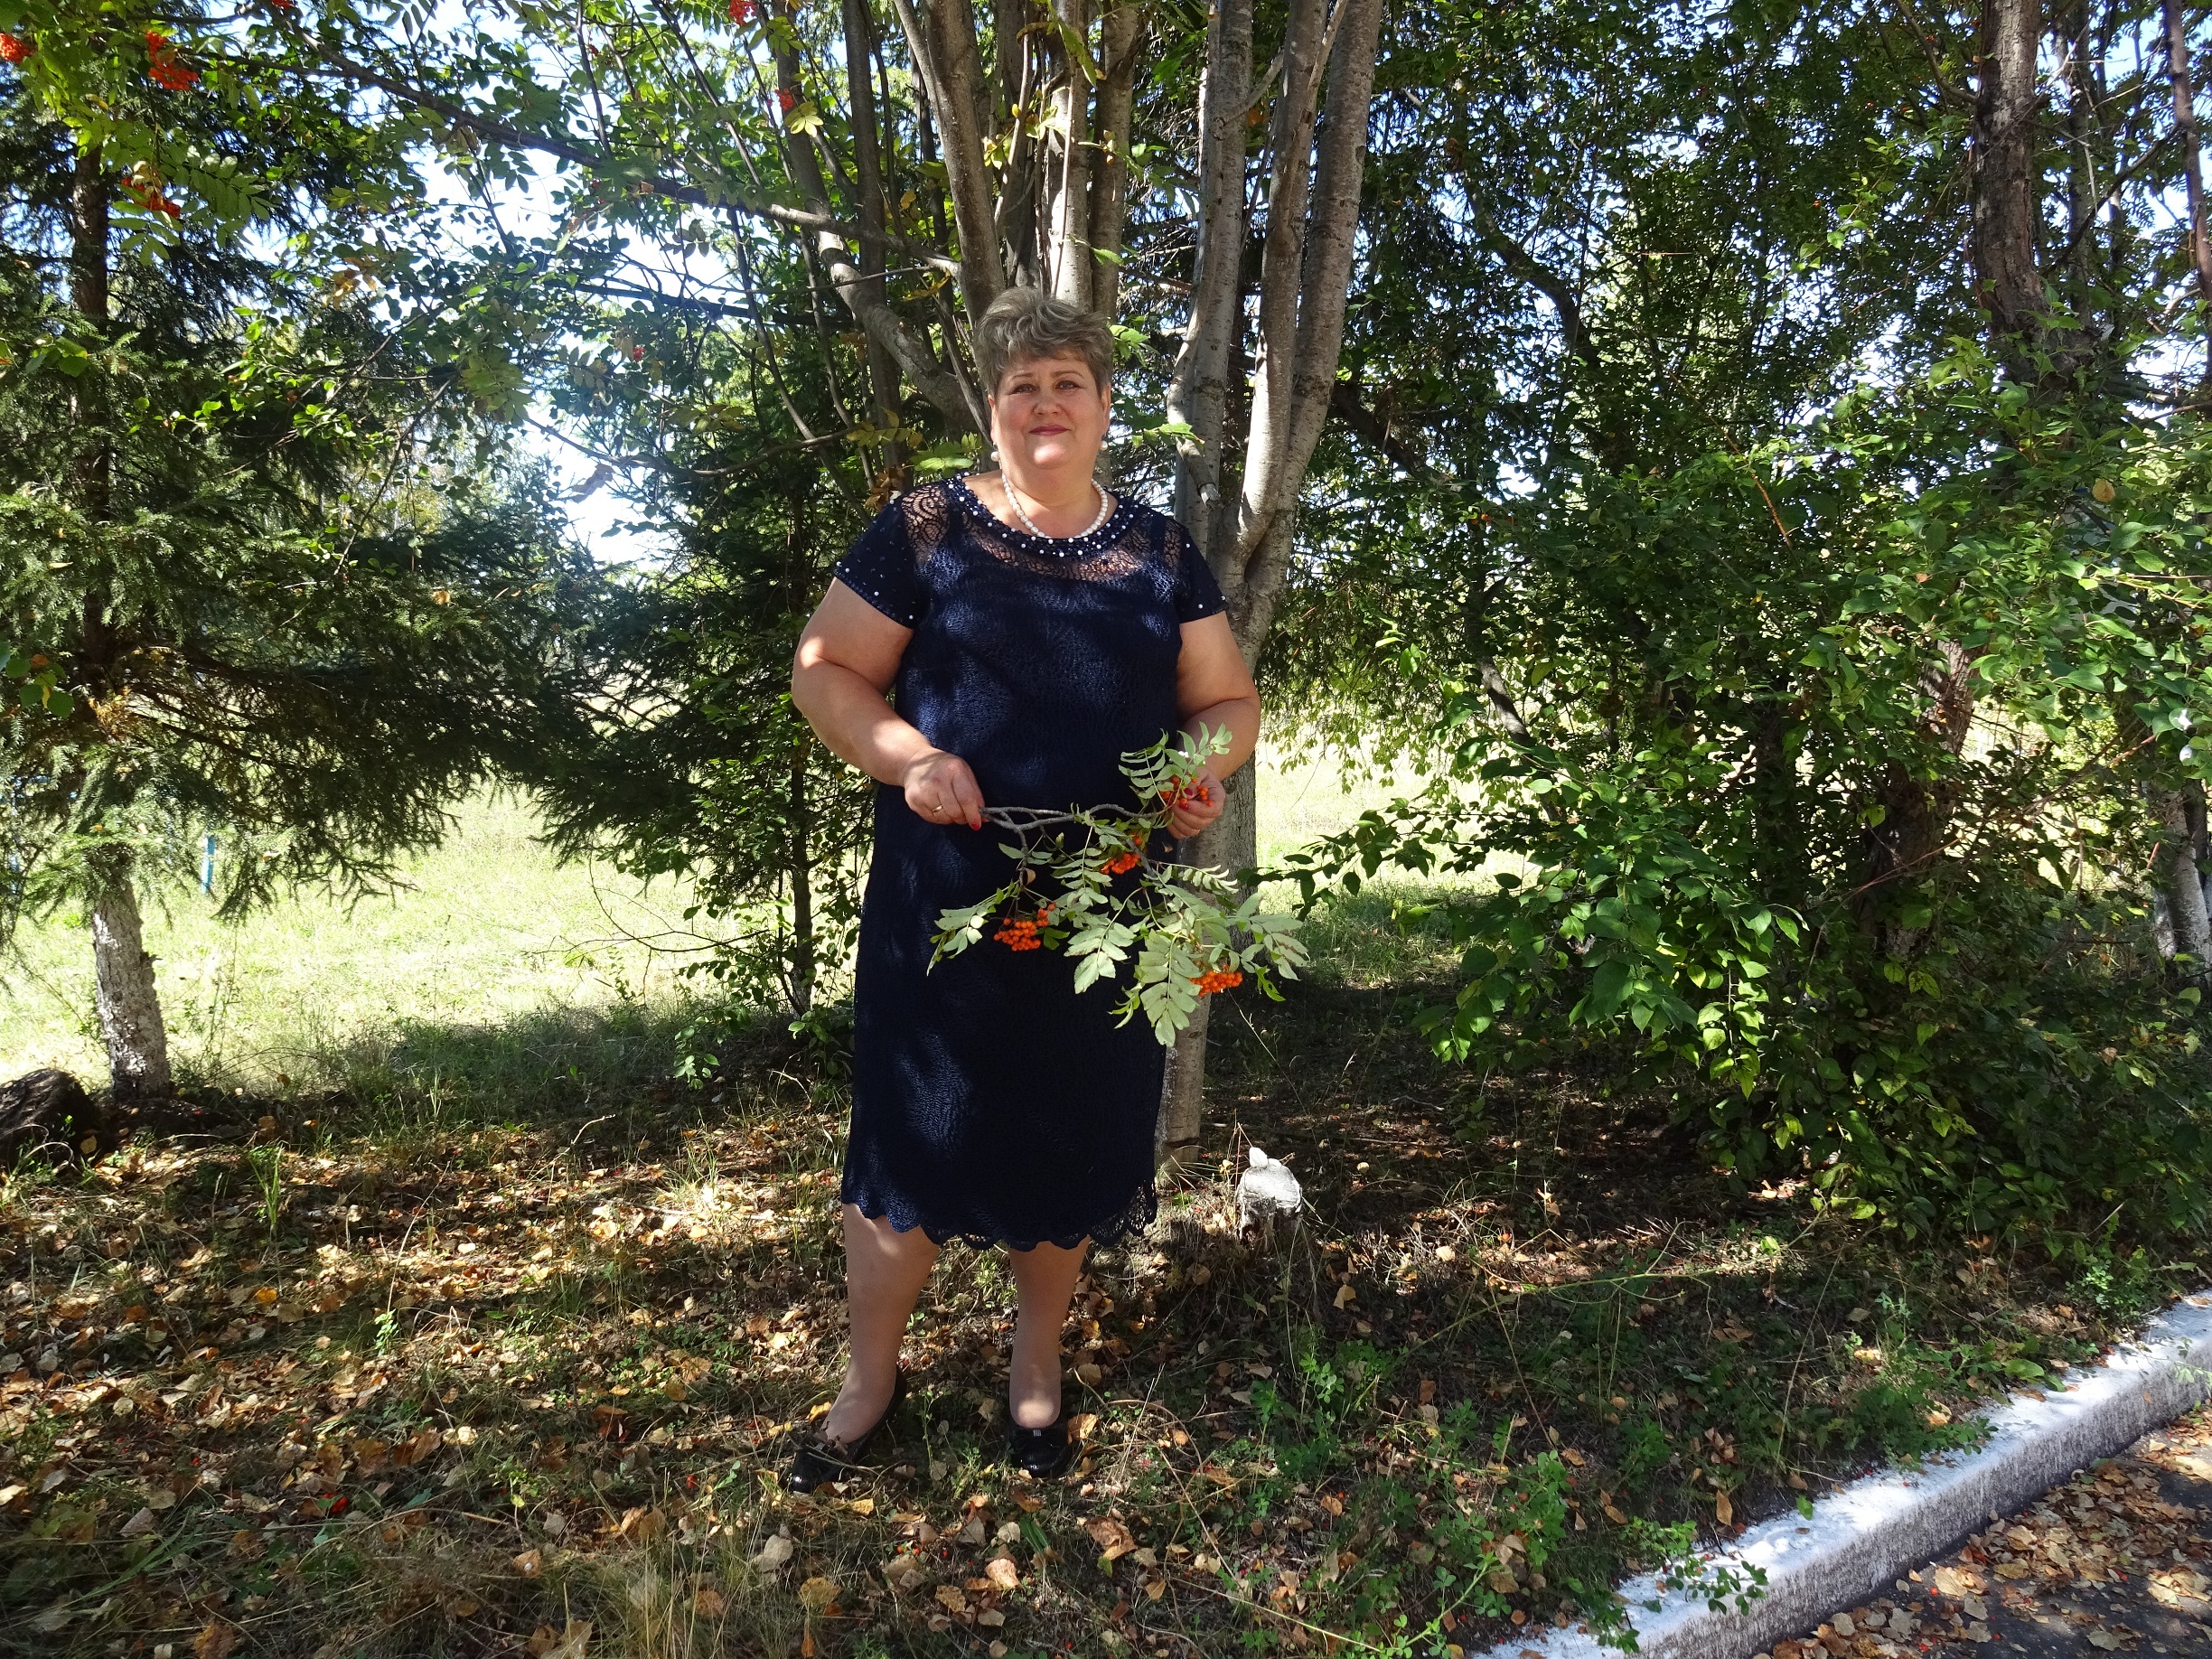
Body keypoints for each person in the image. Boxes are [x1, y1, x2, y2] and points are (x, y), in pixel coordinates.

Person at [785, 286, 1261, 1486]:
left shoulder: (1158, 552)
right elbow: (826, 673)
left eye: (1068, 384)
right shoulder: (928, 529)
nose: (1046, 404)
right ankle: (870, 1381)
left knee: (1071, 1137)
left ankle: (1035, 1365)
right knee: (912, 1144)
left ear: (1103, 406)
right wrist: (911, 758)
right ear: (992, 408)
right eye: (1022, 386)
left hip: (1104, 908)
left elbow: (1226, 701)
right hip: (945, 907)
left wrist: (1192, 772)